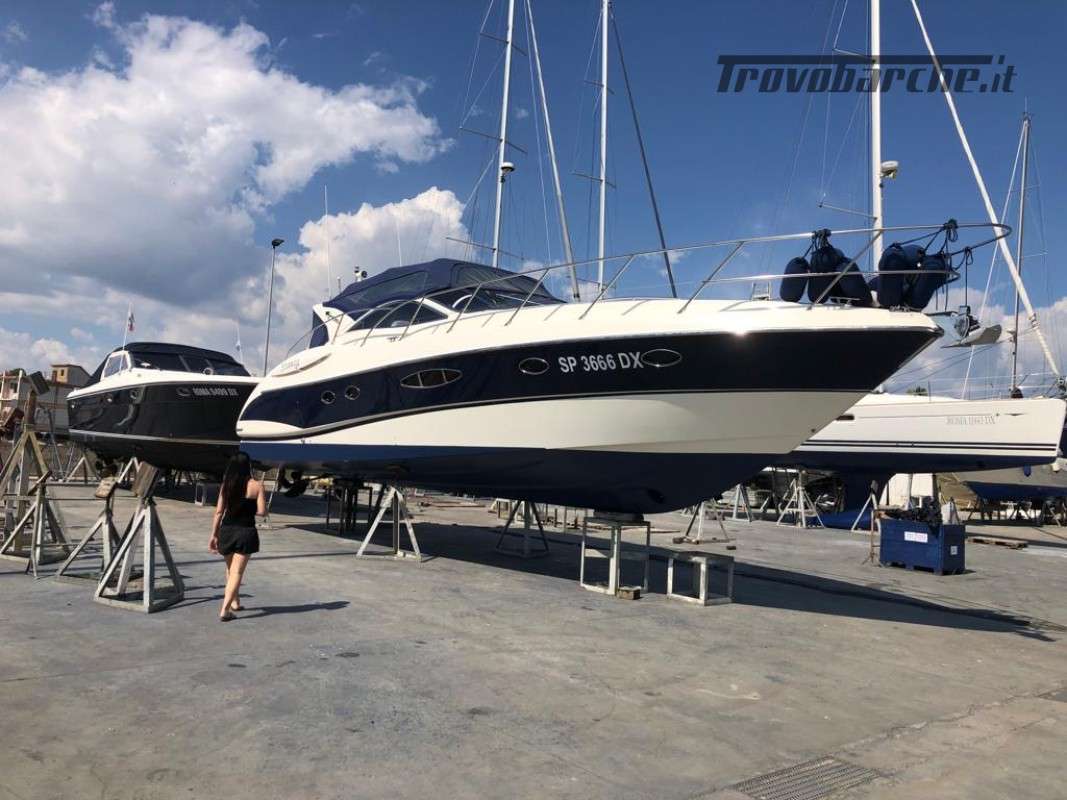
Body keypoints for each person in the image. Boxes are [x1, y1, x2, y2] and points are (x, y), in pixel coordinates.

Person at [209, 452, 267, 621]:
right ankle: (225, 610)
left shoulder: (226, 485)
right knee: (237, 572)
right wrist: (249, 508)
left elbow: (219, 512)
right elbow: (262, 512)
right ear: (248, 466)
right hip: (245, 532)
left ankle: (235, 602)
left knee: (230, 569)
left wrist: (213, 535)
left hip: (226, 531)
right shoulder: (257, 485)